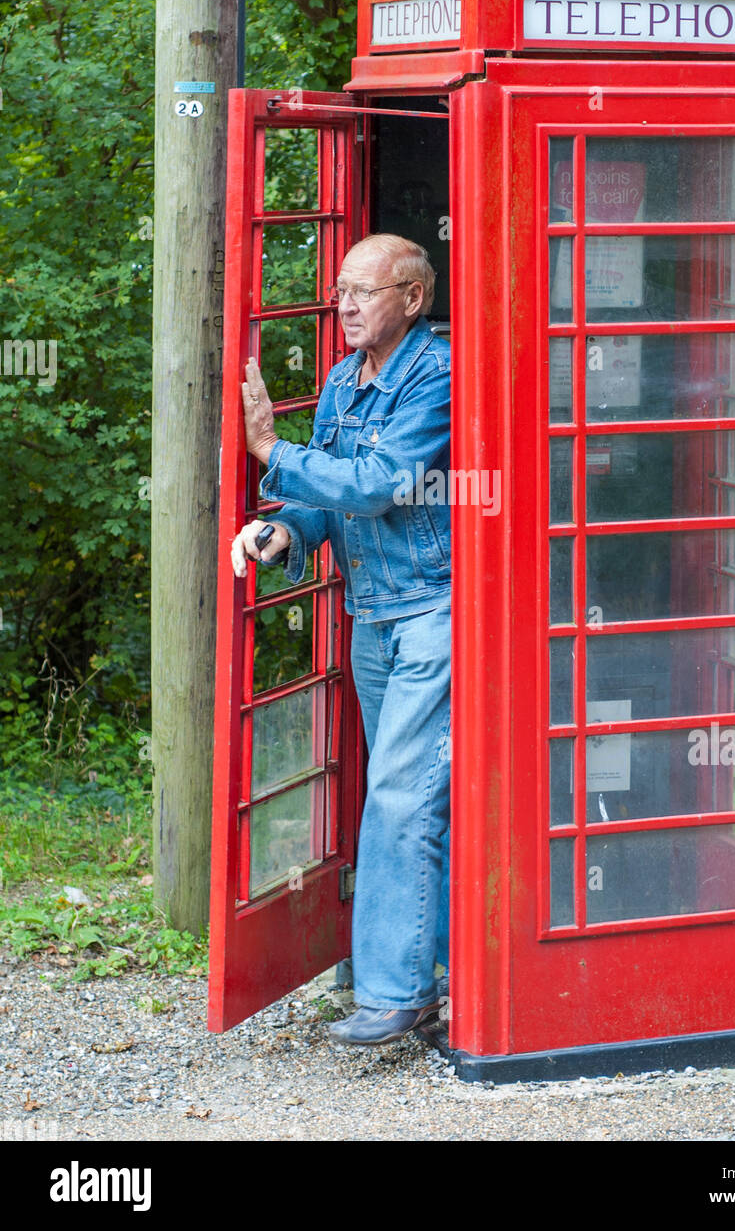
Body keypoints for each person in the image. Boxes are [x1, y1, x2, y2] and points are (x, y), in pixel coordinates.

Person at [231, 233, 451, 1045]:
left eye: (365, 290)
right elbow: (333, 496)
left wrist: (270, 451)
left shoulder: (439, 373)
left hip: (437, 610)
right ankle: (444, 971)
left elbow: (383, 485)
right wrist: (288, 531)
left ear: (412, 299)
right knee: (426, 797)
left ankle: (393, 993)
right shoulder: (340, 380)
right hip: (374, 617)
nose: (346, 305)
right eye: (341, 291)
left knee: (400, 795)